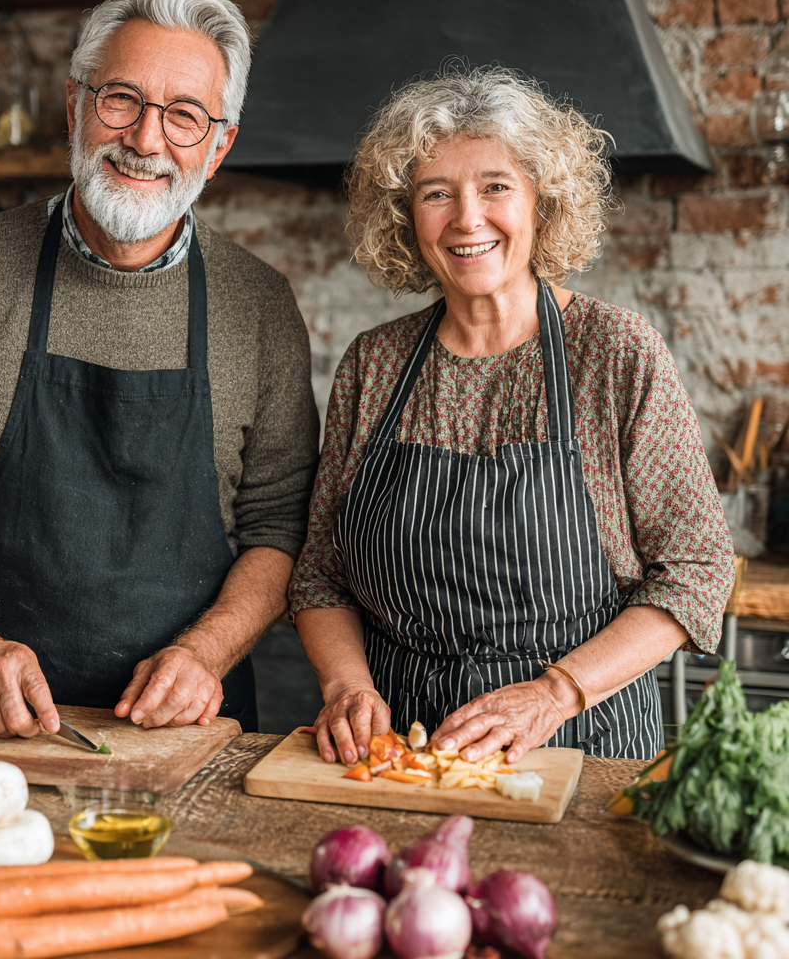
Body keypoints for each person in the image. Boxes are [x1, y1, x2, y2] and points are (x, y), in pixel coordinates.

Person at [0, 0, 319, 739]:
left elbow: (280, 526)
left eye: (184, 116)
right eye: (120, 99)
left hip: (190, 730)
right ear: (75, 106)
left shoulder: (258, 306)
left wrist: (205, 652)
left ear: (218, 147)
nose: (146, 139)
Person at [289, 68, 734, 766]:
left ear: (541, 204)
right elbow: (319, 571)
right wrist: (346, 685)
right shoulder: (373, 364)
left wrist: (554, 694)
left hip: (580, 742)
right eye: (437, 194)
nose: (468, 218)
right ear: (407, 217)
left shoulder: (615, 354)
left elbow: (699, 571)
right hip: (402, 749)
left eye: (496, 186)